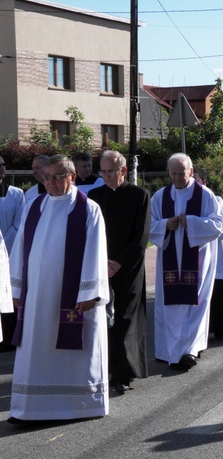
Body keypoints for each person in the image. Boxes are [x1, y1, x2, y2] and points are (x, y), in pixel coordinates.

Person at [8, 154, 110, 423]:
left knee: (75, 351)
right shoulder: (34, 206)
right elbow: (19, 250)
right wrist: (15, 289)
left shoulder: (88, 209)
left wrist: (89, 292)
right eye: (46, 177)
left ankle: (81, 405)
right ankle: (29, 409)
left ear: (72, 177)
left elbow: (95, 252)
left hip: (74, 297)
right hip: (37, 296)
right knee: (35, 347)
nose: (50, 182)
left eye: (57, 176)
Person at [150, 153, 223, 370]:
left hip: (198, 260)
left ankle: (190, 350)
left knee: (195, 304)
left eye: (181, 174)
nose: (176, 178)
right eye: (172, 174)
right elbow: (148, 226)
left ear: (190, 172)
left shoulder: (206, 196)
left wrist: (190, 223)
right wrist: (165, 225)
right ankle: (171, 351)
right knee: (172, 306)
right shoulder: (159, 197)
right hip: (169, 261)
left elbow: (219, 224)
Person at [88, 150, 150, 394]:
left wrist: (119, 262)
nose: (106, 176)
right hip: (100, 265)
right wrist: (103, 261)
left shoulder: (139, 195)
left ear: (123, 171)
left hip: (130, 266)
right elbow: (91, 232)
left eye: (111, 171)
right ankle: (105, 369)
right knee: (103, 319)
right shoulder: (94, 196)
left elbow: (142, 235)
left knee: (125, 318)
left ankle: (123, 374)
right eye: (102, 172)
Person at [193, 170, 223, 339]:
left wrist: (205, 231)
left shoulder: (216, 201)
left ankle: (219, 327)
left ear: (204, 182)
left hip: (211, 252)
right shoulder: (186, 202)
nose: (194, 184)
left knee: (215, 291)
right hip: (192, 254)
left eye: (197, 181)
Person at [0, 155, 25, 351]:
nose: (0, 169)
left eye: (2, 165)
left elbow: (19, 224)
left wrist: (3, 245)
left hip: (9, 251)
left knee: (8, 294)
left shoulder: (17, 194)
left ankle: (10, 338)